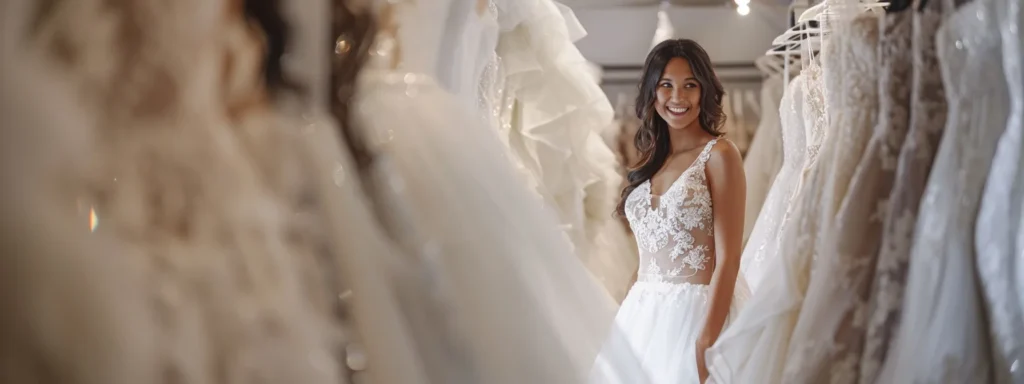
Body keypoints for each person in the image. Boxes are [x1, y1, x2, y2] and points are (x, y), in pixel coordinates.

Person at [607, 38, 747, 383]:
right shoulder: (651, 163)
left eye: (690, 86)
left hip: (697, 313)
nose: (678, 98)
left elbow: (728, 259)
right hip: (641, 315)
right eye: (666, 85)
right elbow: (650, 255)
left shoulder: (720, 155)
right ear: (652, 93)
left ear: (705, 92)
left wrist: (705, 341)